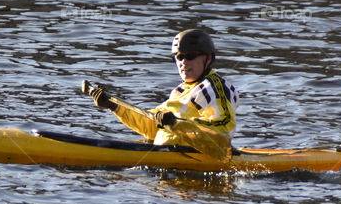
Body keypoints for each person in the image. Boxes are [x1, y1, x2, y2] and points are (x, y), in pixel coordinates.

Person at [85, 29, 239, 158]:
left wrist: (176, 124)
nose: (183, 62)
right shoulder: (180, 91)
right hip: (170, 165)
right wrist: (114, 106)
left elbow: (224, 134)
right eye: (179, 57)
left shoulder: (213, 87)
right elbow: (152, 127)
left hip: (192, 160)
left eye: (190, 56)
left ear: (208, 58)